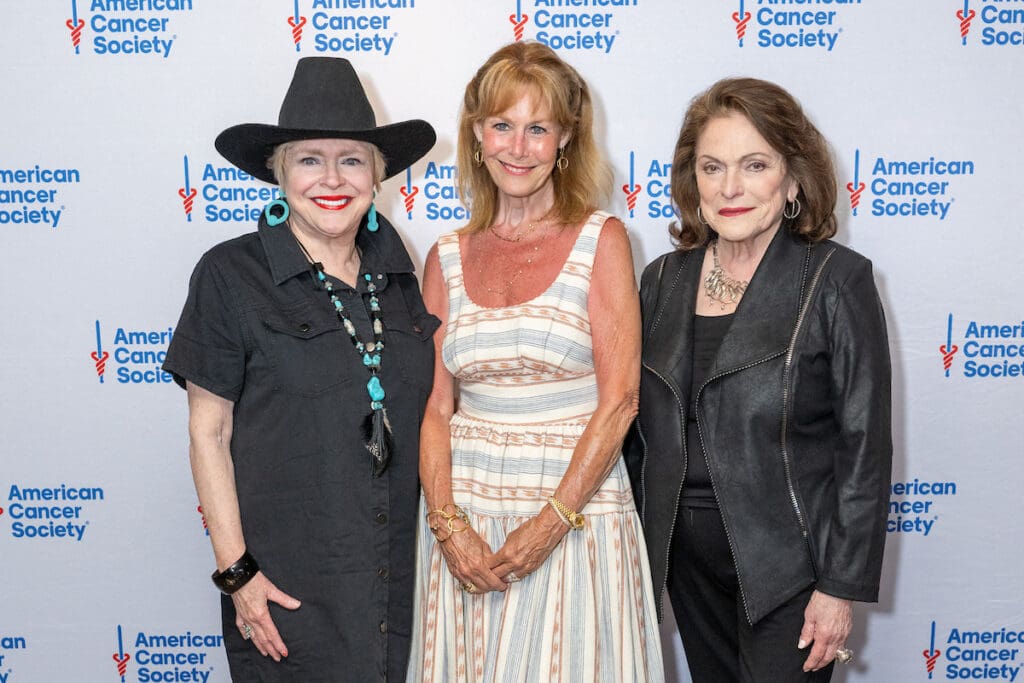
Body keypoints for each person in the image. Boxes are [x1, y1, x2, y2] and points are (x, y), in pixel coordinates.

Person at [162, 57, 438, 682]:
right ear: (279, 172)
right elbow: (209, 433)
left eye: (352, 160)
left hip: (404, 593)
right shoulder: (229, 274)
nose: (332, 178)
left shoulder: (401, 277)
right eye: (310, 159)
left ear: (377, 174)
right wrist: (238, 576)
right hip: (287, 600)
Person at [406, 42, 664, 682]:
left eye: (538, 128)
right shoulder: (445, 256)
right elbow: (434, 406)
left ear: (565, 139)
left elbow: (621, 401)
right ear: (476, 134)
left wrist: (551, 523)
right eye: (502, 125)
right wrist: (446, 525)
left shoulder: (602, 240)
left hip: (576, 517)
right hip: (465, 523)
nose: (518, 148)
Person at [627, 77, 892, 682]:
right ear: (693, 181)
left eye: (755, 165)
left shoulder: (837, 280)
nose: (730, 187)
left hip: (789, 569)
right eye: (712, 167)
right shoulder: (662, 280)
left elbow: (864, 447)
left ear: (792, 179)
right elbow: (637, 431)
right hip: (684, 562)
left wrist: (839, 587)